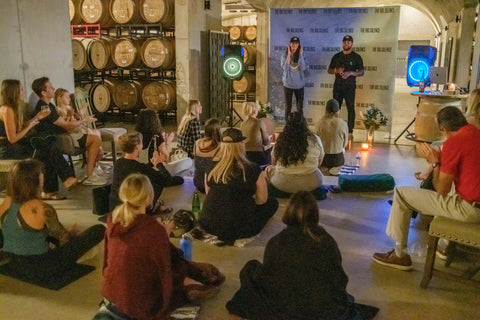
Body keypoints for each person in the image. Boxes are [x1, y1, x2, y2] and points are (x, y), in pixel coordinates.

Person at [227, 191, 379, 320]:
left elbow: (269, 276)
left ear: (288, 213)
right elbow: (338, 278)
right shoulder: (326, 241)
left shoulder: (276, 241)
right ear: (315, 215)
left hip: (282, 305)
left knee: (250, 268)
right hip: (321, 307)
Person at [101, 173, 225, 320]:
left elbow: (107, 260)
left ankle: (192, 275)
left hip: (111, 292)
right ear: (148, 197)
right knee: (175, 264)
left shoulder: (113, 219)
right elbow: (164, 271)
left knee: (167, 257)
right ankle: (189, 284)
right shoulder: (153, 229)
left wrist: (162, 234)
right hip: (138, 303)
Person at [373, 106, 480, 270]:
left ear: (443, 129)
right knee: (454, 192)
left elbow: (441, 191)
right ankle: (445, 244)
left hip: (470, 210)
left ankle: (399, 254)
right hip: (474, 203)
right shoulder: (473, 131)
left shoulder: (454, 143)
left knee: (402, 194)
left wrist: (435, 163)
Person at [0, 159, 105, 281]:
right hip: (42, 268)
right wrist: (72, 233)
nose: (43, 176)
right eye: (41, 174)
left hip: (12, 263)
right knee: (99, 229)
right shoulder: (42, 209)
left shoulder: (5, 204)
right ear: (35, 180)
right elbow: (64, 239)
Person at [0, 79, 77, 200]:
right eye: (20, 89)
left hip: (17, 145)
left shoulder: (14, 107)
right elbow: (13, 139)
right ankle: (63, 181)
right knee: (46, 149)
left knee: (49, 143)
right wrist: (31, 125)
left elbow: (20, 128)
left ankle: (54, 188)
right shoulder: (7, 109)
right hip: (9, 149)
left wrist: (37, 117)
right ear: (13, 92)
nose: (23, 91)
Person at [199, 128, 278, 244]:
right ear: (241, 145)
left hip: (209, 224)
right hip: (241, 229)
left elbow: (208, 193)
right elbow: (262, 200)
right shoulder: (253, 169)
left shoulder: (211, 166)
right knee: (272, 203)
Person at [109, 131, 183, 215]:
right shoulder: (140, 168)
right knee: (156, 185)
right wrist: (159, 164)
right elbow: (167, 180)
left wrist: (151, 164)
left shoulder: (118, 163)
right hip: (132, 212)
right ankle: (152, 208)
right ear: (137, 146)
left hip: (115, 207)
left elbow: (139, 169)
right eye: (141, 143)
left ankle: (155, 205)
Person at [266, 112, 326, 200]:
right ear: (305, 124)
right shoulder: (315, 139)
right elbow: (319, 163)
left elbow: (274, 162)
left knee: (268, 170)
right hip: (311, 183)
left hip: (282, 183)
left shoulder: (281, 139)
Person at [54, 88, 106, 185]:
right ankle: (90, 173)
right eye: (67, 97)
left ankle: (93, 167)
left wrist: (83, 117)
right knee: (96, 139)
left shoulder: (68, 108)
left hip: (78, 132)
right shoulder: (58, 110)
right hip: (72, 136)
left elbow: (75, 120)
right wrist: (83, 120)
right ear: (59, 98)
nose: (69, 99)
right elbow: (68, 124)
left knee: (97, 136)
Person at [135, 108, 192, 175]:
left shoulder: (136, 136)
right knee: (188, 161)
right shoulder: (157, 136)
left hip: (139, 170)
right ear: (155, 121)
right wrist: (167, 143)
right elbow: (166, 157)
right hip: (153, 170)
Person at [328, 35, 364, 136]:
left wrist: (351, 73)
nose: (346, 44)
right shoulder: (337, 56)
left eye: (348, 42)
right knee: (335, 108)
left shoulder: (356, 57)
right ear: (342, 43)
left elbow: (361, 72)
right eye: (345, 42)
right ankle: (335, 128)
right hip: (338, 87)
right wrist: (336, 70)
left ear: (352, 44)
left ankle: (350, 131)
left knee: (350, 108)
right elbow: (329, 70)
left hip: (350, 87)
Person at [316, 99, 349, 175]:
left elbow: (316, 143)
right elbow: (345, 144)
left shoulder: (319, 123)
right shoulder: (343, 123)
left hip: (324, 160)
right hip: (338, 160)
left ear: (326, 110)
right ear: (338, 111)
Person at [281, 36, 307, 121]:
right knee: (288, 107)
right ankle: (288, 126)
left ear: (298, 45)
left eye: (296, 43)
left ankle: (300, 126)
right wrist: (288, 54)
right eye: (292, 43)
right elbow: (285, 68)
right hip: (288, 84)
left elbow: (303, 68)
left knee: (300, 108)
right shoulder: (284, 55)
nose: (294, 45)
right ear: (290, 44)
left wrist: (300, 55)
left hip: (299, 85)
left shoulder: (302, 54)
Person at [193, 118, 221, 193]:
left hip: (198, 183)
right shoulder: (220, 146)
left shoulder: (197, 143)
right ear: (218, 131)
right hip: (211, 185)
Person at [240, 101, 271, 166]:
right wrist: (269, 138)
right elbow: (266, 142)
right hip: (258, 155)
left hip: (245, 155)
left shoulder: (242, 124)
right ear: (255, 111)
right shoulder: (259, 122)